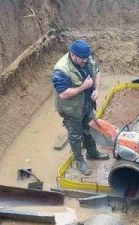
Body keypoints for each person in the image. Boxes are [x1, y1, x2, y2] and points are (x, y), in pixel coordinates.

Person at [52, 39, 109, 175]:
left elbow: (97, 71)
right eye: (82, 59)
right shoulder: (61, 70)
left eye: (86, 58)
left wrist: (96, 89)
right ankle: (79, 161)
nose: (85, 61)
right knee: (75, 136)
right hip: (71, 109)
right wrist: (83, 87)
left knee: (88, 129)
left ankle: (92, 152)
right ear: (73, 55)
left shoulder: (85, 57)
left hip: (86, 104)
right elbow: (63, 94)